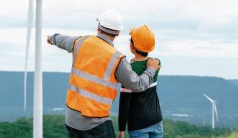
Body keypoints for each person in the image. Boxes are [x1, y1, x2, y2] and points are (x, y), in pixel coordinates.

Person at [47, 9, 160, 138]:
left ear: (98, 27)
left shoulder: (81, 42)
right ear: (117, 33)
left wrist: (52, 38)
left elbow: (62, 40)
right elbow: (138, 85)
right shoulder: (117, 58)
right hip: (94, 122)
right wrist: (151, 69)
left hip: (72, 118)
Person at [118, 25, 163, 138]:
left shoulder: (128, 71)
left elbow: (125, 102)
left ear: (132, 46)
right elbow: (146, 63)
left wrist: (121, 129)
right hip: (156, 120)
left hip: (138, 124)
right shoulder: (156, 64)